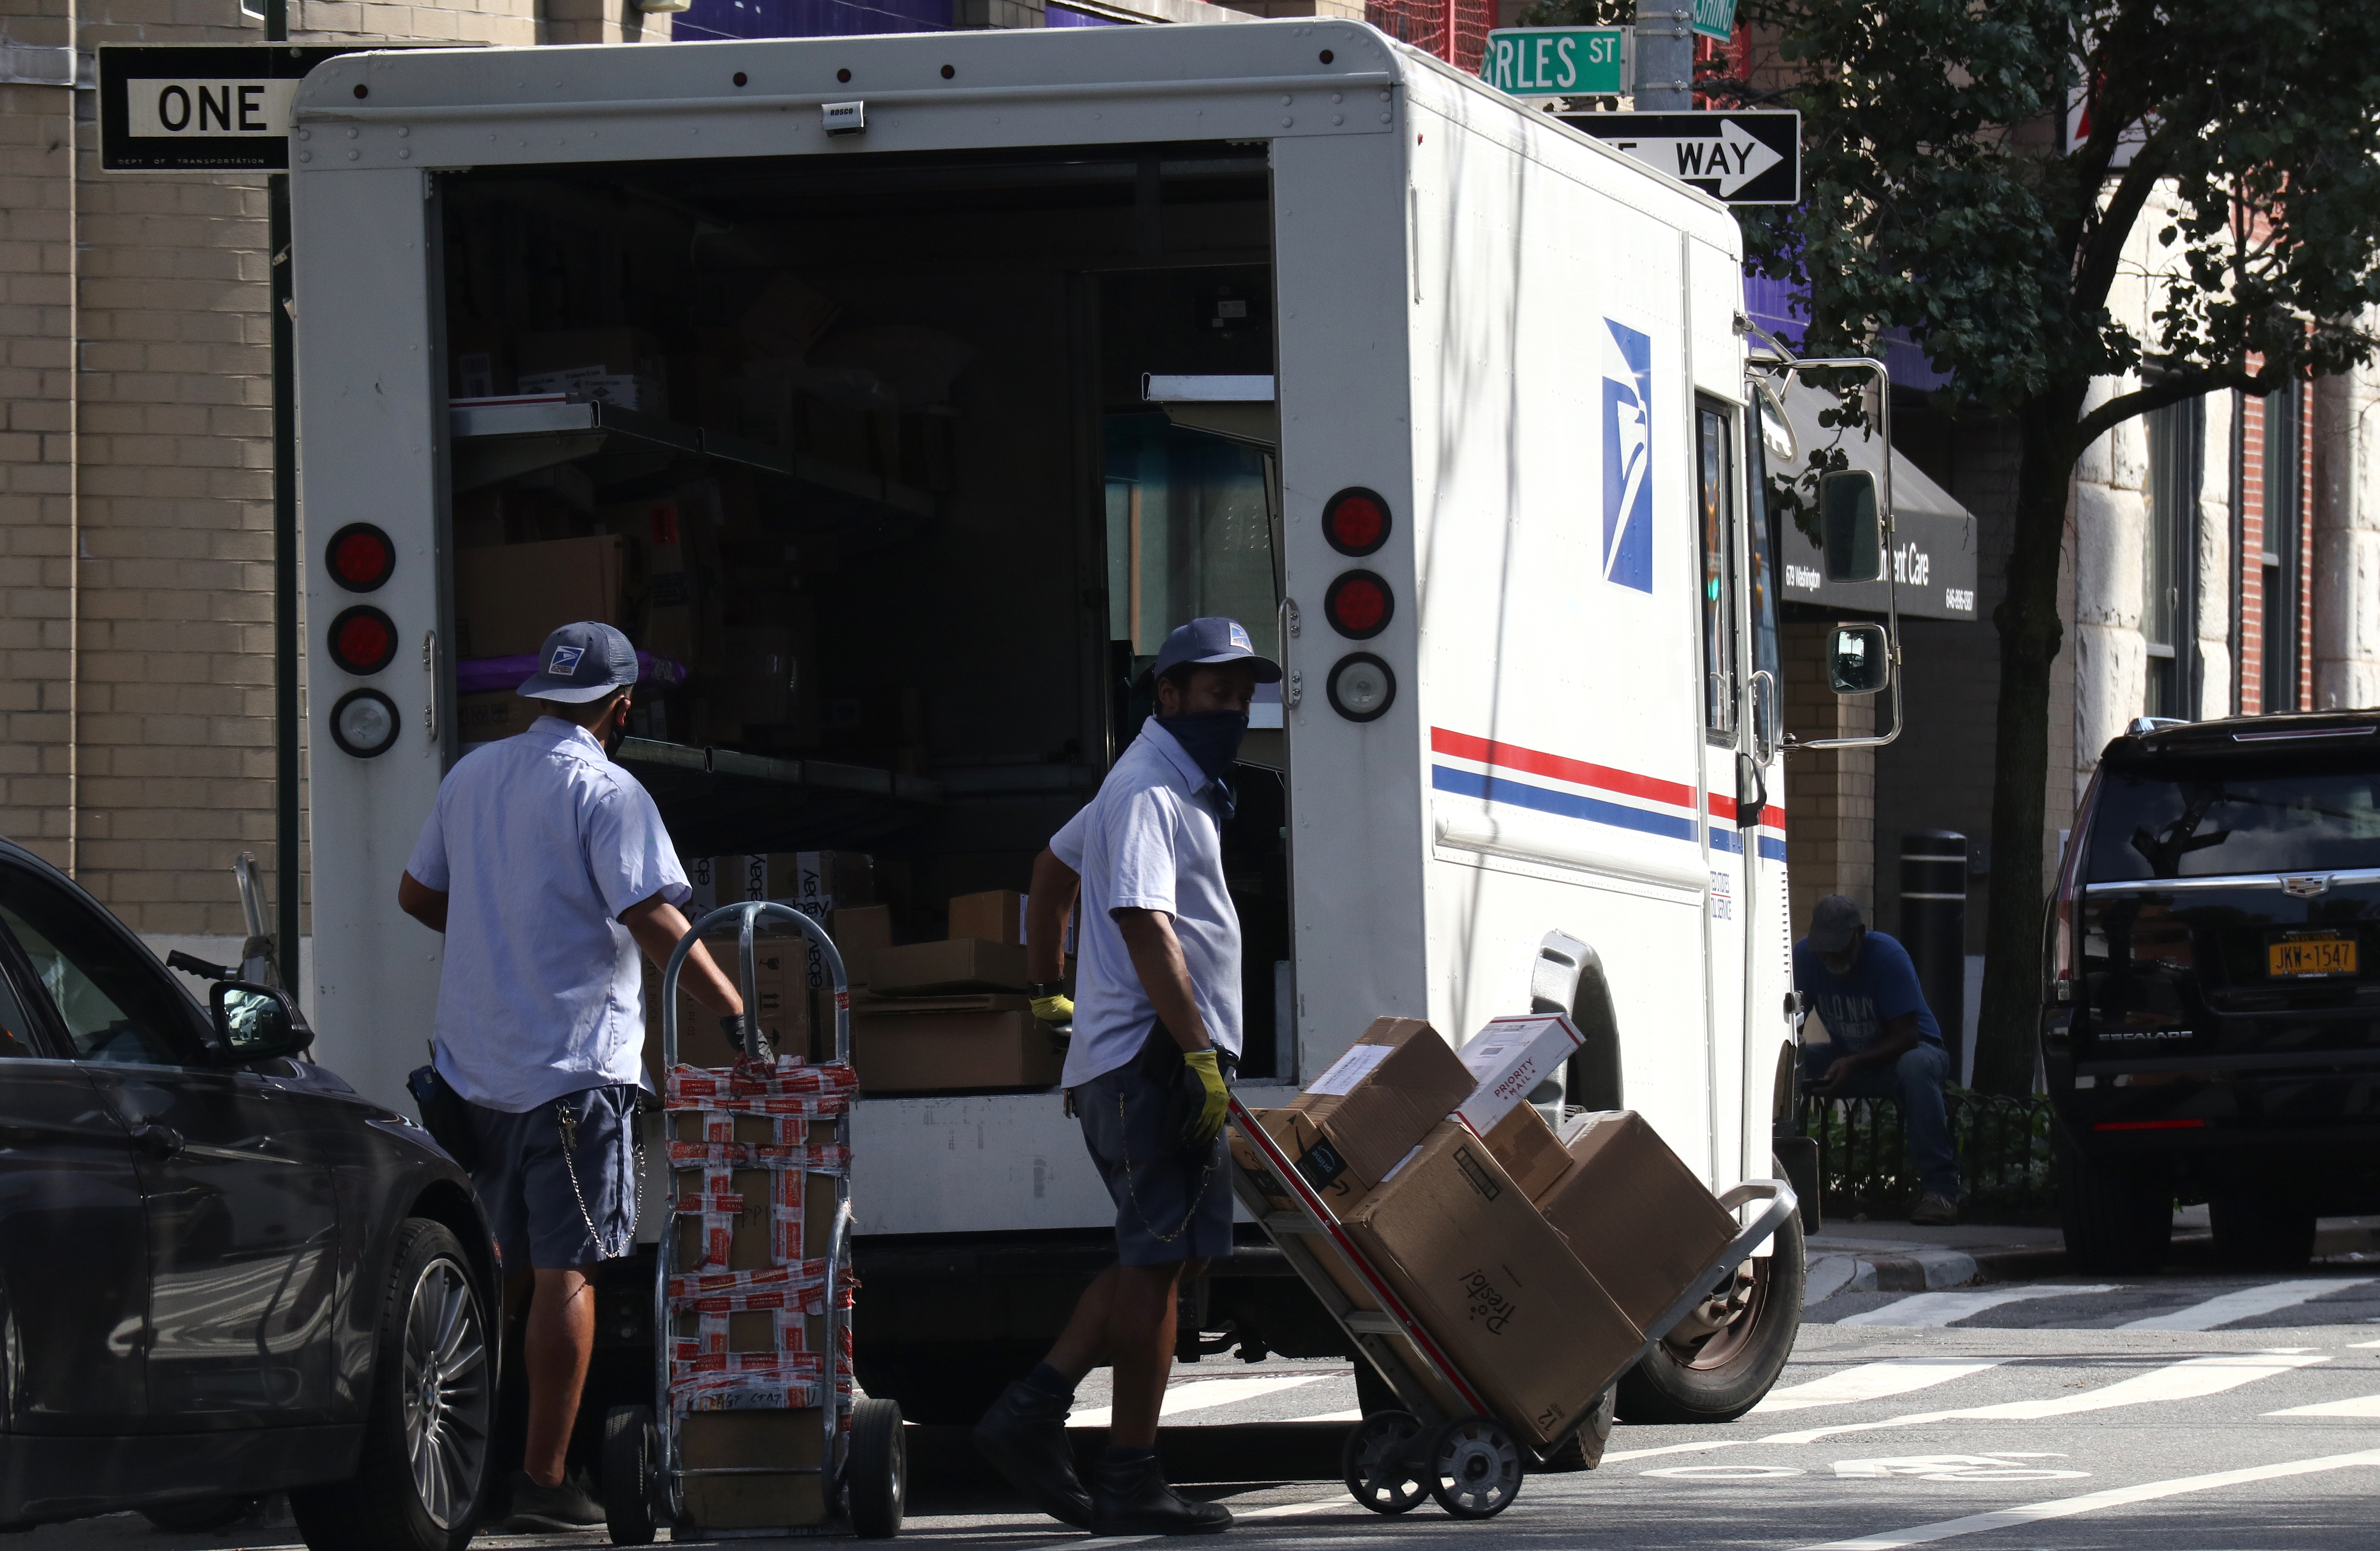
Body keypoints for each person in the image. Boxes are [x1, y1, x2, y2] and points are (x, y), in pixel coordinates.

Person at [397, 621, 749, 1530]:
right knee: (568, 1273)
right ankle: (547, 1481)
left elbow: (417, 892)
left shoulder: (471, 775)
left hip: (471, 1071)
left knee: (489, 1270)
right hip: (570, 1071)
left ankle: (462, 1468)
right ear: (622, 707)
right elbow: (653, 917)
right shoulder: (609, 789)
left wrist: (500, 932)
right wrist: (733, 1008)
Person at [973, 617, 1276, 1537]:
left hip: (1142, 1053)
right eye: (1212, 691)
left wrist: (1045, 989)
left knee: (1167, 1251)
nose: (1230, 708)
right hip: (1152, 1058)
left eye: (1240, 693)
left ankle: (1033, 1410)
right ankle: (1129, 1473)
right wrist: (1192, 1051)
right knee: (1156, 1263)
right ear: (1167, 694)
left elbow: (1050, 868)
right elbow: (1145, 921)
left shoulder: (1162, 781)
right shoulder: (1148, 787)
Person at [1793, 893, 1962, 1226]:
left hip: (1914, 1052)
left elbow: (1907, 1036)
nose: (1831, 958)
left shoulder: (1887, 957)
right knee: (1792, 1064)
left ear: (1860, 934)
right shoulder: (1805, 957)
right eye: (1824, 949)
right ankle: (1786, 1182)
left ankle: (1941, 1192)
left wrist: (1852, 1064)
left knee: (1913, 1067)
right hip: (1851, 1057)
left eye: (1839, 948)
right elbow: (1792, 1022)